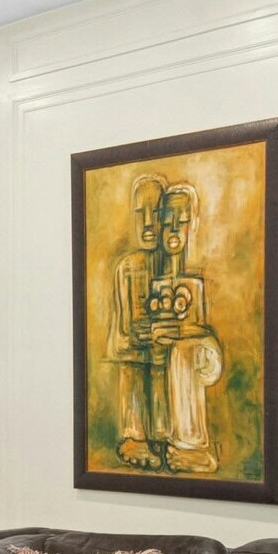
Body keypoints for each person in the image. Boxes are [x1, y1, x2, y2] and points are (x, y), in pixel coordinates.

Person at [147, 184, 223, 475]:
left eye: (181, 222)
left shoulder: (195, 284)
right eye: (167, 223)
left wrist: (180, 333)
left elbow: (198, 333)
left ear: (193, 225)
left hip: (194, 361)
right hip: (164, 365)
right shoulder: (158, 283)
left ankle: (193, 448)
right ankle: (171, 441)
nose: (173, 230)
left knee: (184, 354)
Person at [103, 176, 165, 468]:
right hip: (133, 346)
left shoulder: (171, 264)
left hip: (160, 347)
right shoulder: (126, 267)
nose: (149, 223)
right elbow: (122, 328)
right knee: (133, 366)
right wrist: (136, 337)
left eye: (157, 212)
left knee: (165, 366)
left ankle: (163, 436)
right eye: (141, 213)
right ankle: (134, 436)